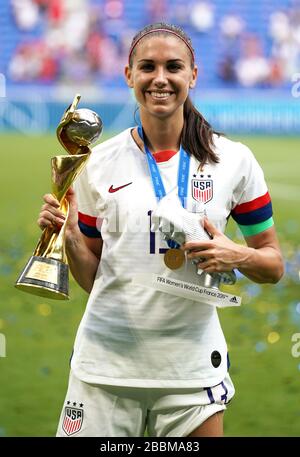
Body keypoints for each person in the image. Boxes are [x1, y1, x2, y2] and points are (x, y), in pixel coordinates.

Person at [38, 22, 284, 437]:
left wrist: (236, 254)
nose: (160, 78)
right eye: (147, 67)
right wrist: (71, 238)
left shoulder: (234, 161)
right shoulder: (97, 163)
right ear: (129, 75)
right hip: (104, 370)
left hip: (190, 375)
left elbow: (273, 264)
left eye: (174, 67)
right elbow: (92, 279)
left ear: (193, 75)